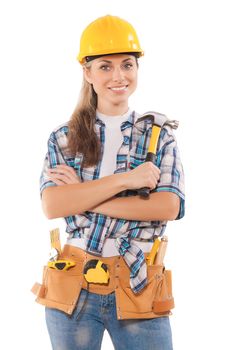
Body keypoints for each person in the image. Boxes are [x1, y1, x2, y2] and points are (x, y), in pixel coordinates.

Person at [39, 14, 185, 350]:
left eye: (127, 65)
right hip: (72, 283)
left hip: (138, 283)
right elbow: (53, 205)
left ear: (137, 69)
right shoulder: (63, 139)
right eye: (105, 66)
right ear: (87, 73)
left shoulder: (158, 137)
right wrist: (128, 181)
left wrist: (82, 194)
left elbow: (169, 206)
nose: (118, 76)